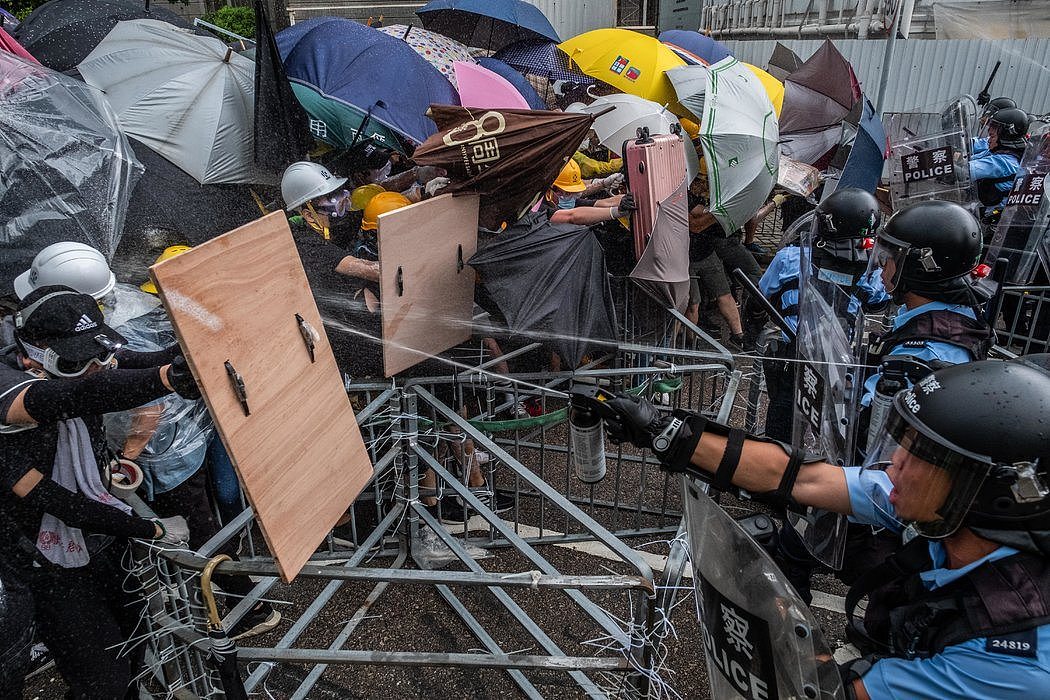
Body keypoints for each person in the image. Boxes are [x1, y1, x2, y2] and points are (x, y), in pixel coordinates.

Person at [599, 359, 1050, 699]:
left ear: (995, 495)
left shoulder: (1009, 659)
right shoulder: (945, 509)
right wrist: (664, 430)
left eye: (922, 458)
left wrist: (776, 629)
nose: (895, 463)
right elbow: (805, 478)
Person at [0, 285, 198, 698]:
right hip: (46, 562)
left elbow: (133, 362)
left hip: (103, 538)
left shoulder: (79, 358)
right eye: (79, 357)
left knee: (137, 645)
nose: (96, 365)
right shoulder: (10, 390)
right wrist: (148, 529)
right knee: (101, 680)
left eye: (97, 352)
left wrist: (197, 349)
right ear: (37, 351)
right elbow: (58, 500)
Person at [758, 188, 885, 443]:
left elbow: (764, 293)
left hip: (792, 358)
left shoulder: (789, 257)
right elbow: (878, 301)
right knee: (831, 434)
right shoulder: (869, 271)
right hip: (837, 361)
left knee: (779, 435)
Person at [862, 200, 995, 409]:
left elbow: (876, 423)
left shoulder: (922, 355)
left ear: (916, 268)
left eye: (887, 258)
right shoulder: (960, 310)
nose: (881, 267)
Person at [971, 107, 1027, 222]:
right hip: (982, 211)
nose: (988, 140)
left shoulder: (1005, 162)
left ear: (1006, 136)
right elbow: (971, 158)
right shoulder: (1000, 153)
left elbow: (967, 171)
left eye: (992, 137)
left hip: (993, 221)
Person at [545, 160, 635, 226]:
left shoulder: (569, 201)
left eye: (573, 192)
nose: (570, 197)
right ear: (550, 188)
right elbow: (572, 216)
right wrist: (617, 211)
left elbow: (605, 203)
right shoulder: (542, 209)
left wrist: (632, 196)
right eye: (567, 193)